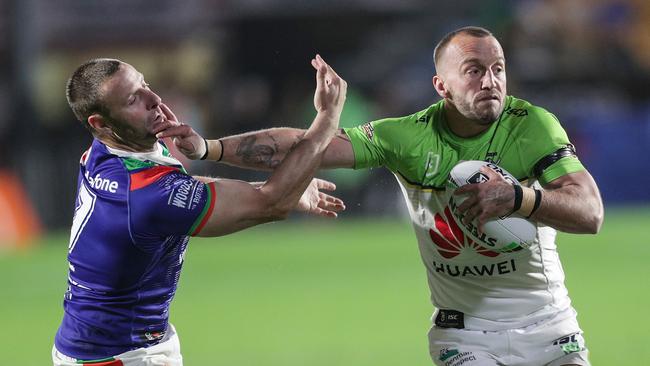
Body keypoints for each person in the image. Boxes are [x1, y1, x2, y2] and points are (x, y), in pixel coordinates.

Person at [159, 26, 604, 366]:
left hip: (550, 327)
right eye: (474, 70)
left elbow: (591, 213)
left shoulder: (532, 126)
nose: (491, 81)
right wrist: (210, 149)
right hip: (466, 335)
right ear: (441, 86)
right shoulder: (407, 138)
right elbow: (304, 147)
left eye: (498, 68)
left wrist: (520, 199)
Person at [52, 54, 347, 365]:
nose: (154, 99)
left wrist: (252, 181)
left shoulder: (109, 152)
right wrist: (327, 118)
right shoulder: (142, 195)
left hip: (101, 344)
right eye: (132, 99)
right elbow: (271, 204)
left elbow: (179, 188)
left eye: (145, 84)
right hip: (122, 355)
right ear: (100, 123)